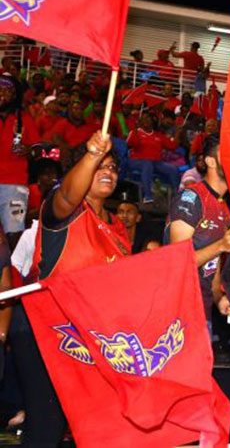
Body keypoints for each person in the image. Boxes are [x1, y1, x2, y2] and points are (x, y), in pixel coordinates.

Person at [8, 131, 130, 445]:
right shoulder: (62, 209)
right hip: (43, 328)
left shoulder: (118, 227)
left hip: (86, 334)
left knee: (93, 422)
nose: (108, 171)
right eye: (99, 165)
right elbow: (67, 196)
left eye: (113, 167)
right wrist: (92, 153)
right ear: (81, 170)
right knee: (48, 422)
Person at [165, 135, 230, 331]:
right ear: (210, 161)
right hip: (177, 310)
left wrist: (218, 297)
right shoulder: (191, 198)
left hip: (202, 308)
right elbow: (176, 261)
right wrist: (221, 245)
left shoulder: (224, 209)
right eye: (228, 154)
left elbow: (212, 266)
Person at [0, 76, 39, 238]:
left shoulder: (24, 118)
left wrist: (28, 150)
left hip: (15, 186)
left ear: (14, 95)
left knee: (14, 232)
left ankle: (15, 264)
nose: (2, 93)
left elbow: (37, 149)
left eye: (7, 90)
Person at [126, 111, 180, 203]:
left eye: (148, 118)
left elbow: (172, 146)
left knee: (173, 169)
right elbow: (130, 144)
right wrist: (135, 129)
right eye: (144, 118)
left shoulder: (158, 135)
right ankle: (147, 196)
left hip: (156, 162)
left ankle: (177, 195)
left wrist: (178, 132)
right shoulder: (135, 132)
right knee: (147, 164)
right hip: (137, 161)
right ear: (140, 121)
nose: (147, 120)